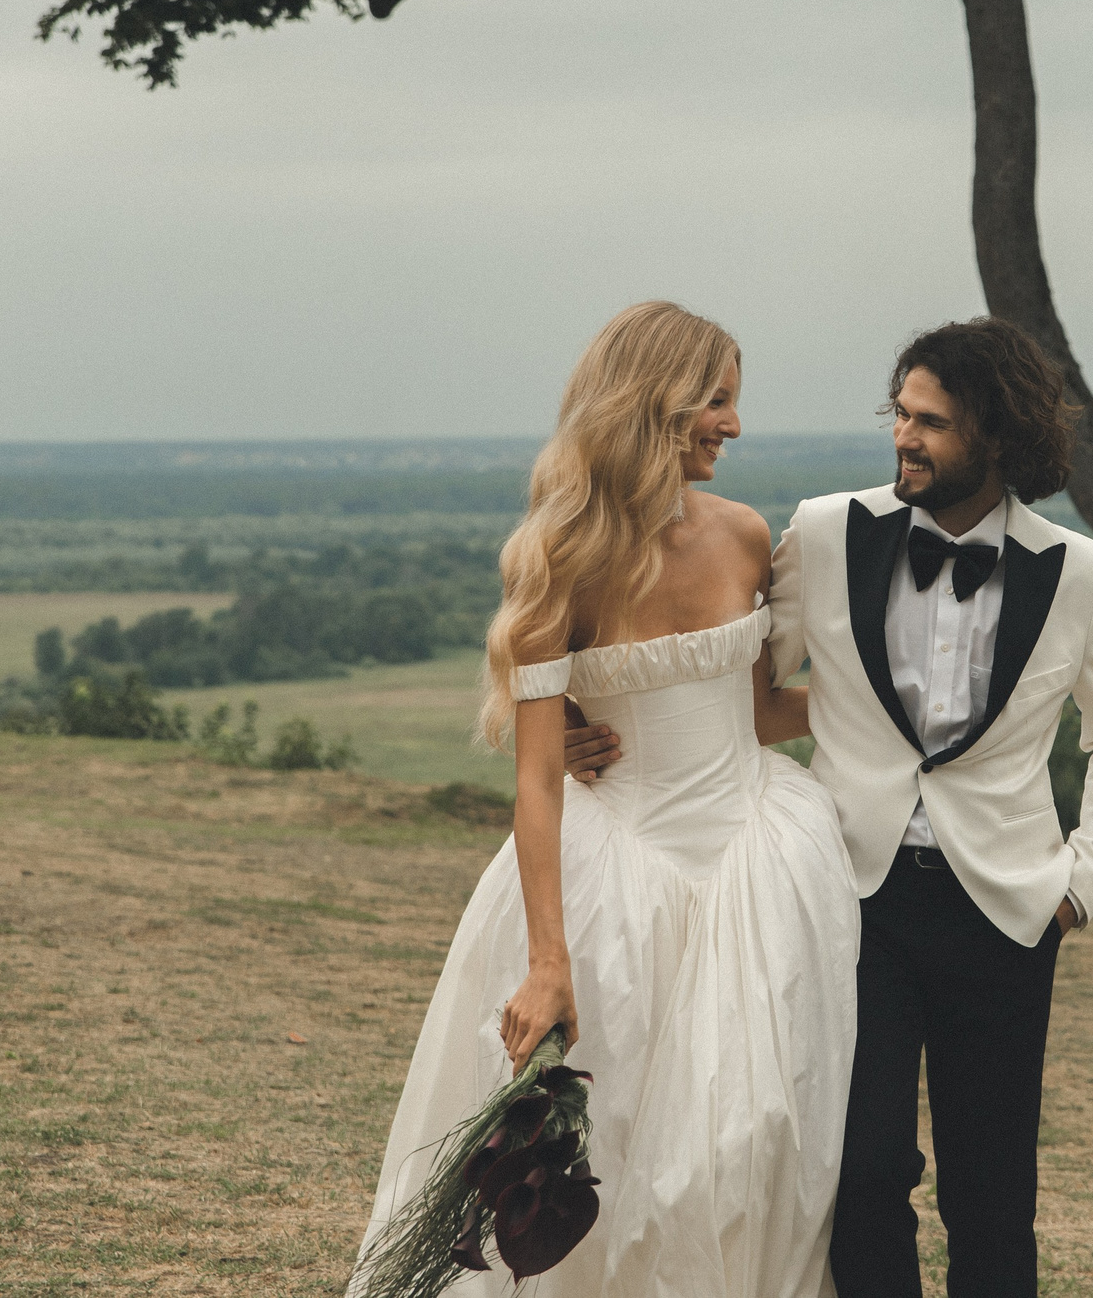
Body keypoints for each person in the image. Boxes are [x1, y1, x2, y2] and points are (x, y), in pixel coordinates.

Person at [567, 316, 1093, 1297]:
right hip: (851, 900)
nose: (903, 437)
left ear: (998, 437)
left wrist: (1080, 884)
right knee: (861, 1169)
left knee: (992, 1195)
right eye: (899, 413)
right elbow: (741, 689)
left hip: (1008, 914)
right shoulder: (828, 531)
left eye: (929, 422)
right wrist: (600, 724)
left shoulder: (1080, 575)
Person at [353, 301, 858, 1298]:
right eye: (717, 400)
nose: (735, 425)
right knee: (612, 1149)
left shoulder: (750, 537)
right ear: (657, 404)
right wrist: (549, 963)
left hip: (759, 868)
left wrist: (897, 705)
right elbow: (538, 780)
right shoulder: (559, 561)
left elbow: (757, 715)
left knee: (754, 1140)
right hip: (614, 873)